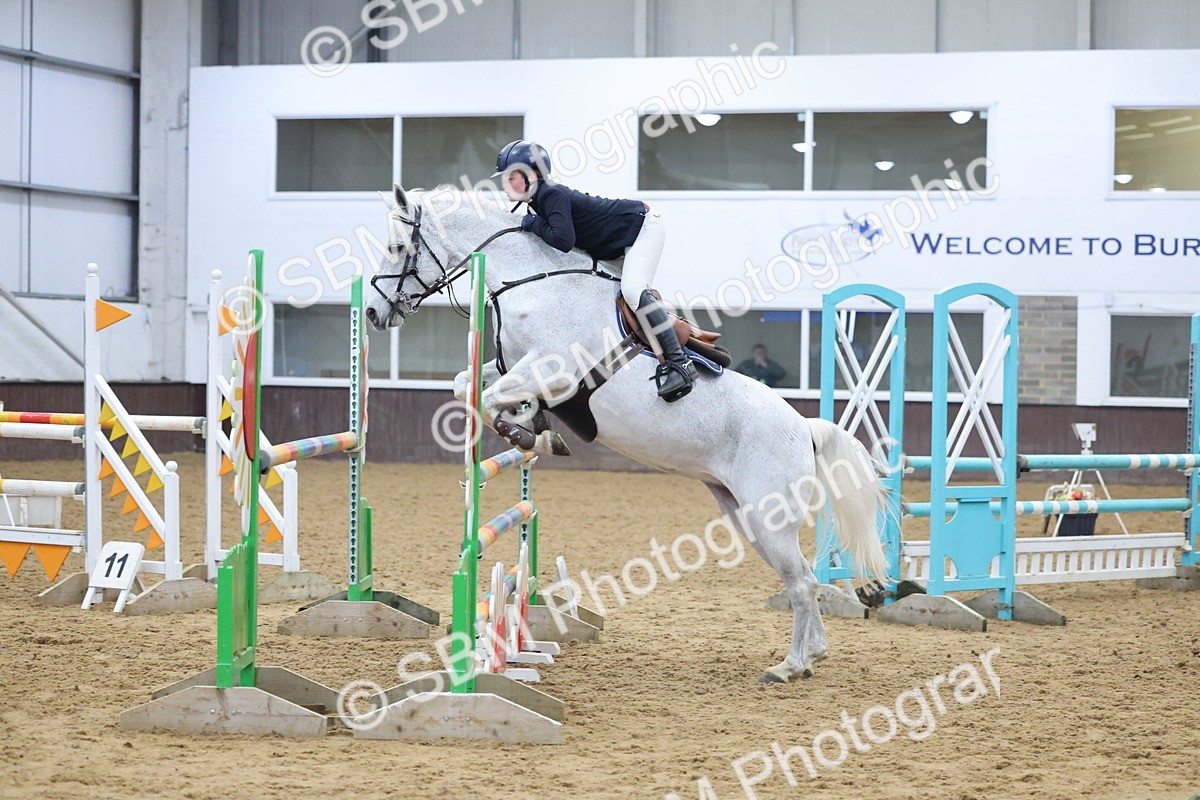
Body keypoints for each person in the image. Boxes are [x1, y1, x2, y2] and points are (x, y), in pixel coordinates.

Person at [493, 140, 697, 402]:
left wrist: (532, 223)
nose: (504, 184)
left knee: (633, 290)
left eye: (511, 177)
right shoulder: (537, 201)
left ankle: (681, 365)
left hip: (642, 227)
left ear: (532, 175)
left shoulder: (550, 194)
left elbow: (563, 241)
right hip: (616, 242)